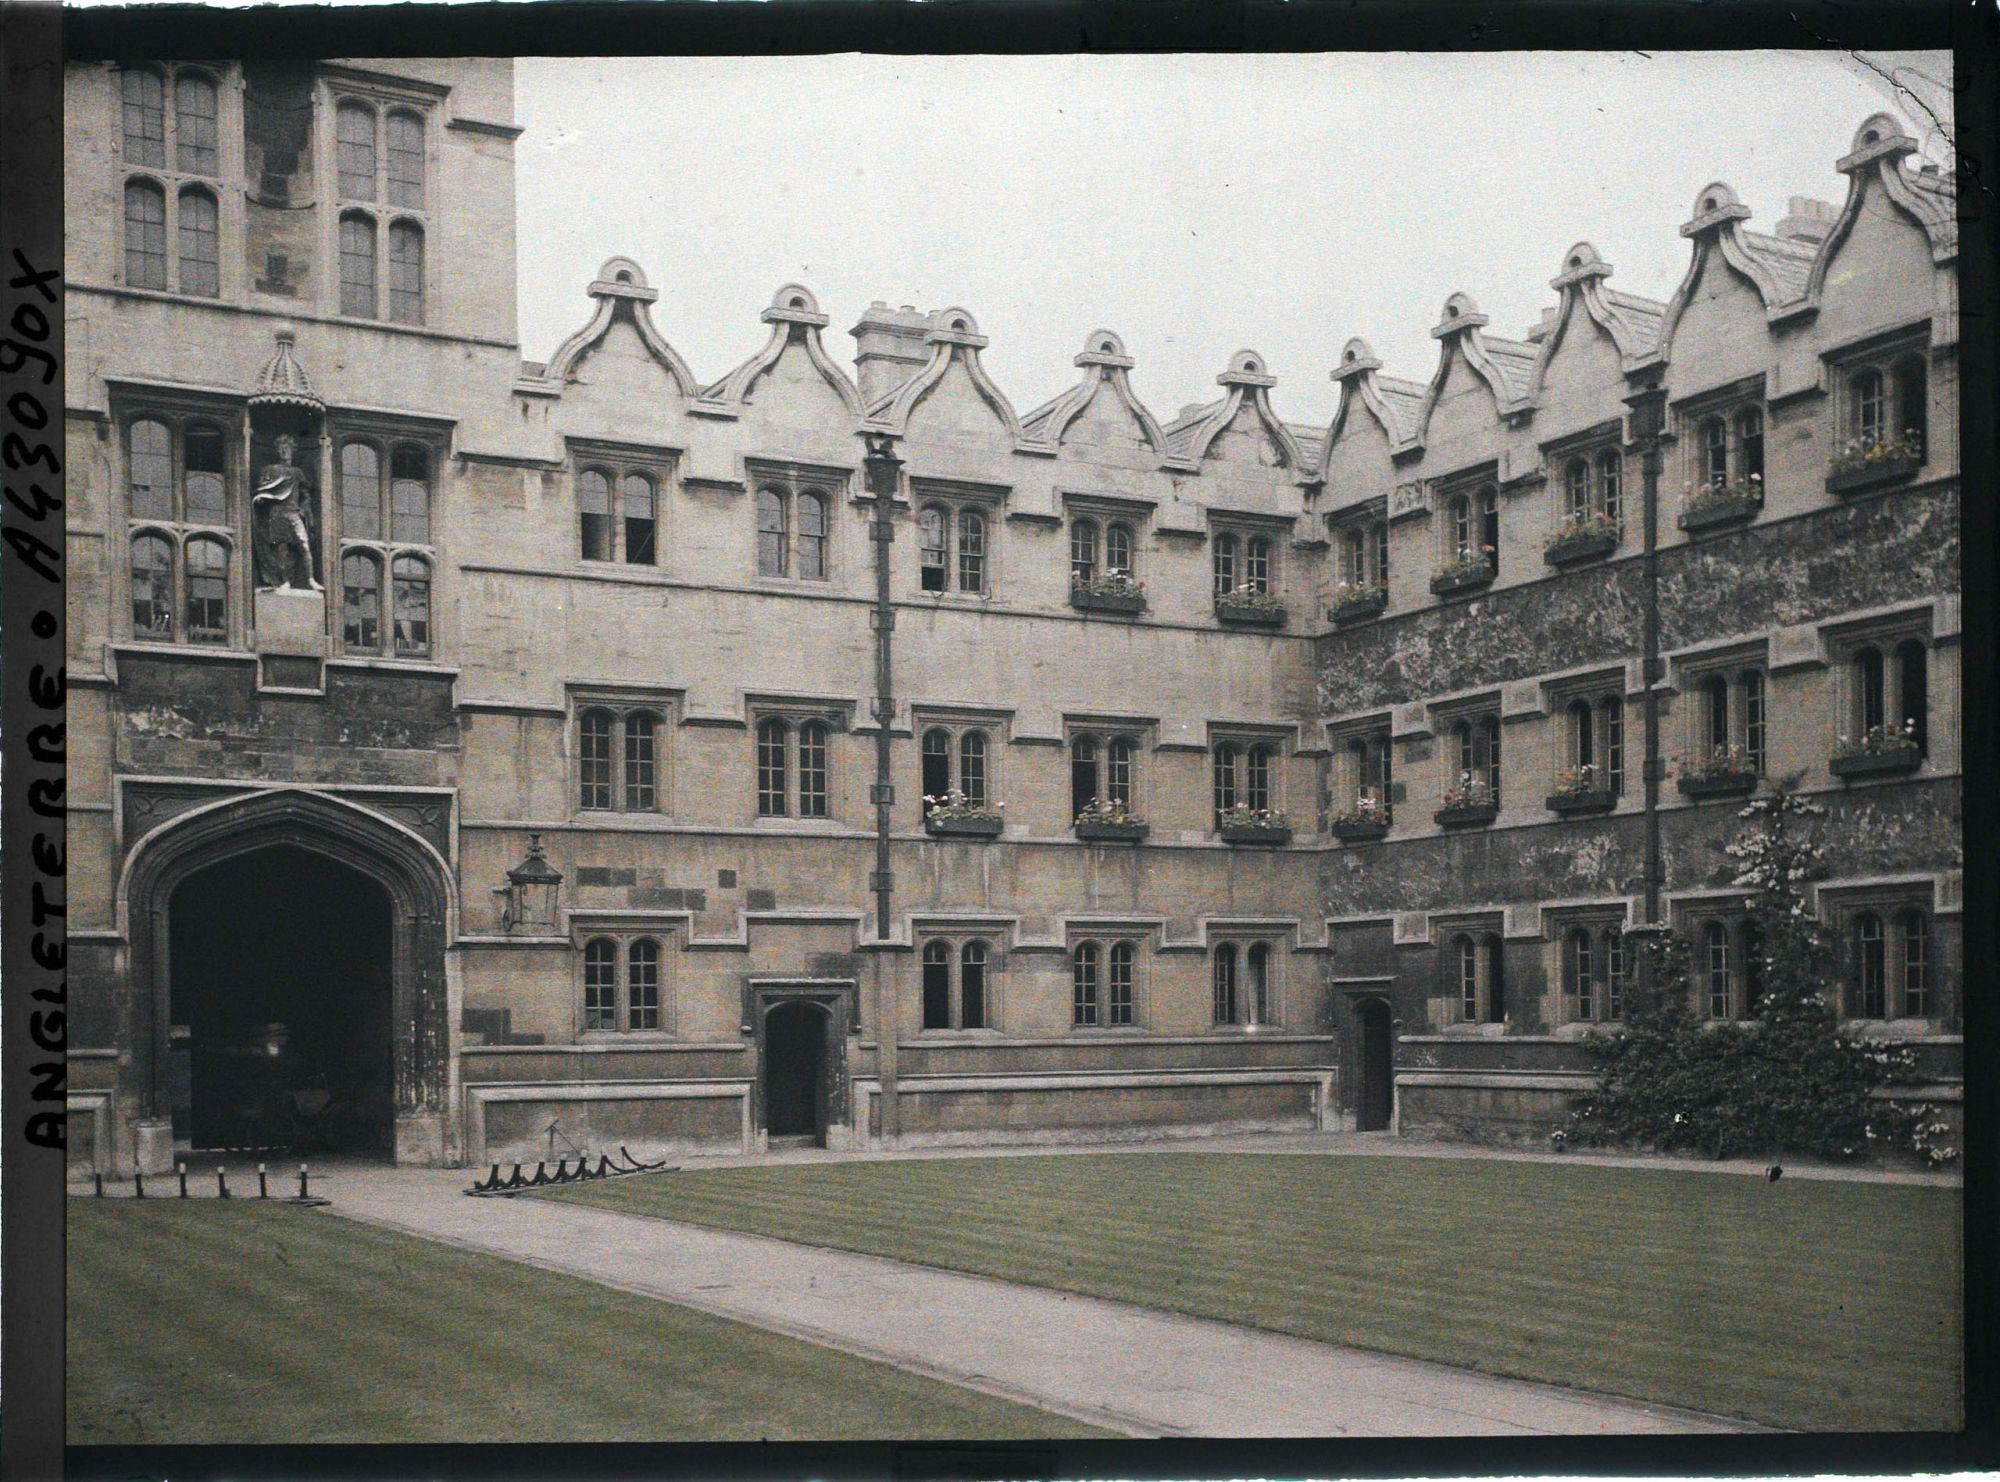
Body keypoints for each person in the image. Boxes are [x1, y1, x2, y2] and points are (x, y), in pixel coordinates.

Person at [253, 432, 322, 591]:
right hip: (277, 513)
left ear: (292, 450)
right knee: (281, 549)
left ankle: (311, 579)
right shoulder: (270, 469)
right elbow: (262, 489)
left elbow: (305, 494)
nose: (284, 451)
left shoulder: (297, 473)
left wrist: (305, 507)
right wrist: (262, 498)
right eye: (281, 448)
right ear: (277, 451)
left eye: (287, 448)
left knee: (304, 545)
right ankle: (284, 581)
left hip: (293, 512)